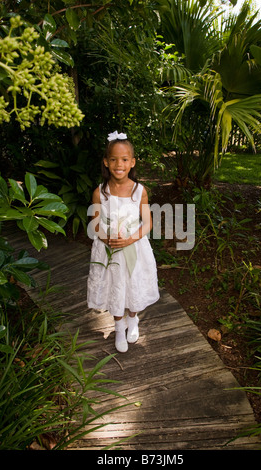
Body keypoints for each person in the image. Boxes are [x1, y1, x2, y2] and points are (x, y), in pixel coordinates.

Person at [87, 131, 160, 353]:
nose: (119, 164)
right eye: (114, 159)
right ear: (106, 162)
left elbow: (148, 223)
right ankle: (119, 326)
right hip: (108, 248)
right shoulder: (100, 192)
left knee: (132, 283)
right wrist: (106, 236)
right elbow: (95, 223)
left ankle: (133, 319)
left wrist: (130, 238)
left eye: (125, 159)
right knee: (114, 285)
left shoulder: (139, 191)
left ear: (132, 162)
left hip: (134, 246)